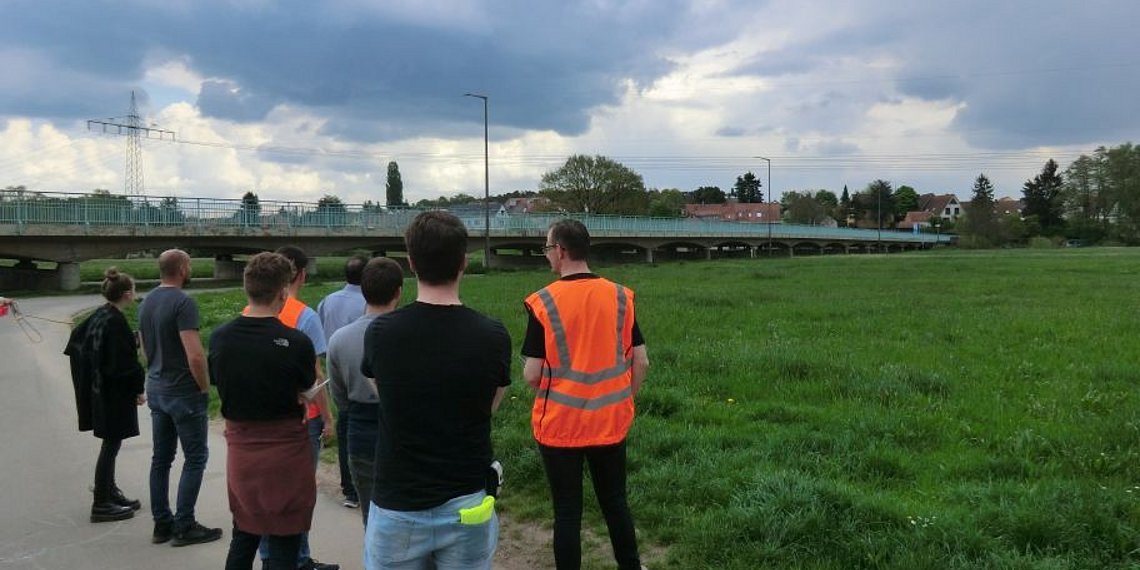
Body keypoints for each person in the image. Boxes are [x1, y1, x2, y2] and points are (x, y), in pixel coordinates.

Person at [360, 211, 511, 570]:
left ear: (411, 263)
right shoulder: (492, 335)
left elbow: (384, 393)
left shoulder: (381, 332)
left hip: (398, 502)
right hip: (467, 502)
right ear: (464, 263)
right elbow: (490, 405)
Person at [522, 219, 650, 570]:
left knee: (567, 511)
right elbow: (641, 362)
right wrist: (624, 398)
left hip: (561, 426)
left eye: (548, 249)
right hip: (610, 420)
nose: (548, 256)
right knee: (615, 502)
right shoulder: (621, 296)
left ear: (561, 251)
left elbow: (533, 374)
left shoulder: (543, 302)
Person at [210, 252, 318, 570]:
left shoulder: (221, 338)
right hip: (286, 451)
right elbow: (305, 386)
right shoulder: (296, 342)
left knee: (244, 532)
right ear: (283, 292)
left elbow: (221, 382)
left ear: (247, 288)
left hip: (242, 450)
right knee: (285, 540)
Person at [246, 246, 337, 570]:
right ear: (300, 274)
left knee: (271, 494)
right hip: (302, 419)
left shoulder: (249, 310)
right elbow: (316, 374)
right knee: (297, 497)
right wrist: (327, 418)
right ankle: (294, 560)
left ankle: (283, 557)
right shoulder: (305, 316)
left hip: (261, 420)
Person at [138, 249, 223, 547]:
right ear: (183, 268)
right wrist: (203, 387)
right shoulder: (183, 302)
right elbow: (196, 355)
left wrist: (155, 372)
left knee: (161, 459)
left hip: (157, 387)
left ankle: (162, 523)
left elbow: (145, 349)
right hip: (183, 392)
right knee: (196, 457)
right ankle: (185, 524)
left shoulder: (147, 300)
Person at [64, 268, 145, 523]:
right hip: (113, 394)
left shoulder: (100, 314)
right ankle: (101, 502)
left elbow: (77, 339)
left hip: (99, 389)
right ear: (127, 294)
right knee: (111, 444)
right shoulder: (116, 321)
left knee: (111, 443)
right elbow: (124, 366)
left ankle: (110, 491)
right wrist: (138, 389)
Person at [326, 257, 403, 527]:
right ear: (398, 292)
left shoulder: (340, 339)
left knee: (372, 517)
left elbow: (339, 396)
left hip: (360, 428)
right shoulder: (406, 334)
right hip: (402, 428)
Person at [317, 254, 368, 509]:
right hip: (361, 371)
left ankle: (349, 489)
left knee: (344, 428)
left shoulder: (327, 301)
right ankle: (366, 486)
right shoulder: (367, 303)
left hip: (332, 366)